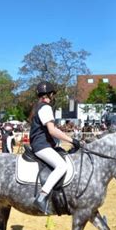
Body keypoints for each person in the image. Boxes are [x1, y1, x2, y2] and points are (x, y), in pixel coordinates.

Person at [30, 81, 81, 214]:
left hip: (41, 144)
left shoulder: (37, 107)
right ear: (50, 94)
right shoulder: (45, 107)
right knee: (62, 166)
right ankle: (42, 197)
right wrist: (72, 140)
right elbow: (52, 131)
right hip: (41, 145)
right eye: (53, 94)